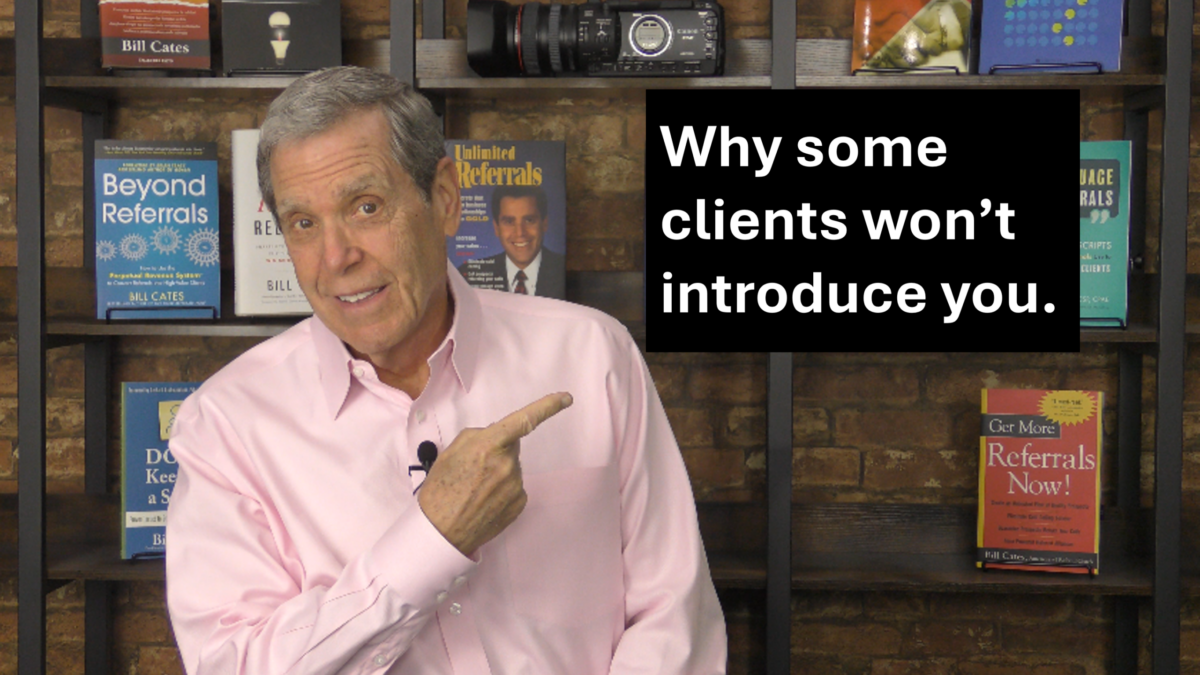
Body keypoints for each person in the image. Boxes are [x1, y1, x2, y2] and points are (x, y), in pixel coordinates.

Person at [164, 65, 727, 675]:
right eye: (304, 224)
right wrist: (431, 540)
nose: (336, 257)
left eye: (366, 207)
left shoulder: (591, 354)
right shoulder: (225, 424)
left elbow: (672, 615)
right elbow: (234, 665)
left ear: (445, 199)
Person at [457, 184, 566, 297]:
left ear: (544, 224)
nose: (520, 233)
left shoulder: (564, 271)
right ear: (496, 228)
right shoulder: (467, 276)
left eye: (529, 220)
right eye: (509, 222)